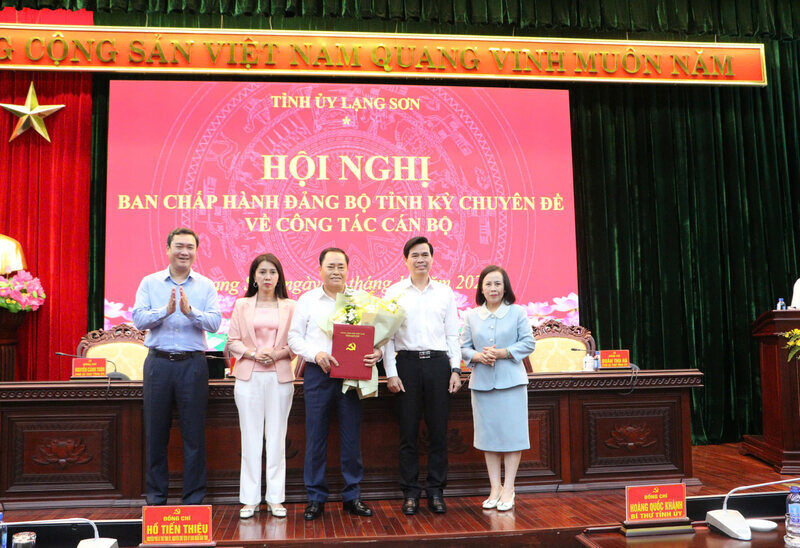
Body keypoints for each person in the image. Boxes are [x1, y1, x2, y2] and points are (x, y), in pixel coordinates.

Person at [287, 247, 382, 521]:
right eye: (331, 266)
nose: (336, 271)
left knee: (351, 437)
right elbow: (294, 338)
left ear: (348, 270)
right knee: (315, 437)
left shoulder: (358, 301)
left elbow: (374, 336)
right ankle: (315, 498)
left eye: (341, 266)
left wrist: (376, 352)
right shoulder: (307, 300)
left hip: (351, 374)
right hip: (318, 374)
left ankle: (352, 496)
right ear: (320, 270)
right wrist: (315, 354)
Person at [132, 227, 221, 505]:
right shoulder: (150, 282)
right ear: (168, 249)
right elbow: (139, 319)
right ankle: (157, 498)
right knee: (155, 433)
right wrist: (165, 312)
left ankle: (193, 498)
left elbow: (215, 323)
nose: (184, 252)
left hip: (192, 365)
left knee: (193, 435)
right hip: (158, 364)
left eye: (190, 247)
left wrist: (191, 312)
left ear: (196, 252)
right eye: (179, 246)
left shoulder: (205, 285)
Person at [384, 236, 462, 515]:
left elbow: (453, 334)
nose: (420, 259)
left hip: (438, 366)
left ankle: (436, 491)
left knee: (438, 433)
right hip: (406, 365)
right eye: (415, 255)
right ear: (406, 259)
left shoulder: (444, 293)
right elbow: (387, 338)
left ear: (432, 258)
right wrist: (391, 373)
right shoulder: (393, 293)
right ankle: (410, 493)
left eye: (425, 255)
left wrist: (455, 369)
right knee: (407, 432)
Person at [460, 265, 535, 512]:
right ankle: (494, 488)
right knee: (488, 438)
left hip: (512, 383)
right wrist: (477, 357)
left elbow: (529, 343)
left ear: (505, 288)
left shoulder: (517, 313)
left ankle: (509, 488)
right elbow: (463, 348)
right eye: (488, 284)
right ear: (481, 287)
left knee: (512, 438)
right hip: (482, 384)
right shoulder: (471, 316)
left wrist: (505, 352)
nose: (493, 288)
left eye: (497, 284)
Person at [226, 253, 296, 519]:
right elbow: (232, 341)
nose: (267, 277)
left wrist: (277, 354)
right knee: (251, 438)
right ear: (253, 277)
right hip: (248, 377)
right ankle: (250, 499)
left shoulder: (291, 306)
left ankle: (276, 498)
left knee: (277, 438)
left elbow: (296, 342)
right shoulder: (242, 305)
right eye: (262, 272)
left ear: (279, 277)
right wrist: (254, 354)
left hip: (279, 377)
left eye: (272, 272)